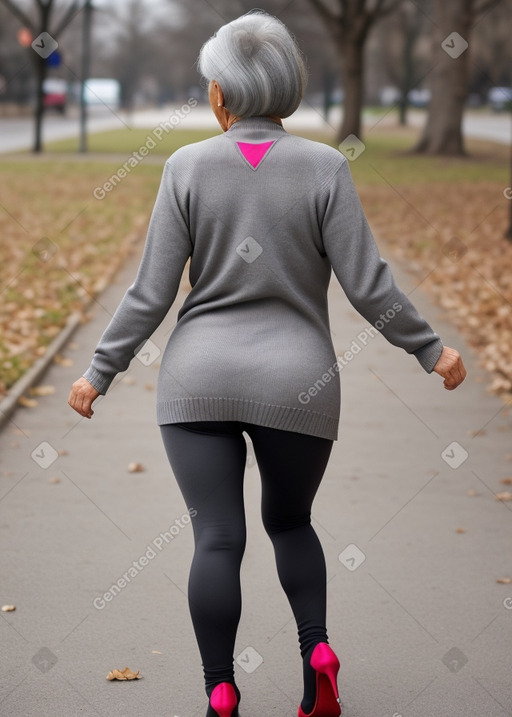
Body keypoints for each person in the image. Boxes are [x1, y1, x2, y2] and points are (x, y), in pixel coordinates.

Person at [68, 10, 466, 717]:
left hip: (198, 382)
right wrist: (431, 351)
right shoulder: (325, 168)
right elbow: (369, 285)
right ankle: (316, 651)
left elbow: (151, 292)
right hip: (298, 383)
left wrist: (100, 370)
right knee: (290, 524)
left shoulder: (185, 167)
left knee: (217, 535)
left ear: (220, 94)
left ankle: (220, 688)